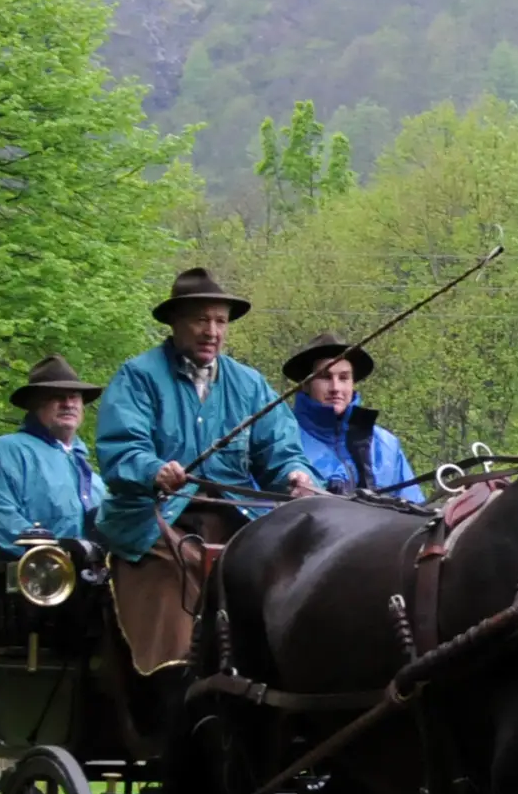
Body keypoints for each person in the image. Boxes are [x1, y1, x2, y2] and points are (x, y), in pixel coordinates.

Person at [93, 266, 320, 675]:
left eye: (219, 321)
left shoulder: (249, 385)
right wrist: (154, 470)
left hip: (234, 521)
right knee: (179, 576)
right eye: (200, 319)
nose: (211, 331)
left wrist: (296, 476)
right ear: (175, 323)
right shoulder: (138, 378)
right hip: (154, 524)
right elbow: (121, 451)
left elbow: (281, 453)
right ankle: (170, 682)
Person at [0, 355, 104, 561]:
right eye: (57, 396)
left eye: (74, 396)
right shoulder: (6, 451)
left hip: (89, 583)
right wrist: (54, 555)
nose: (68, 404)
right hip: (20, 582)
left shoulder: (93, 478)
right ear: (35, 403)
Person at [283, 330, 422, 501]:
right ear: (305, 384)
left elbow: (416, 511)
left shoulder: (386, 445)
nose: (336, 388)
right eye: (325, 377)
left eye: (344, 378)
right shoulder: (282, 441)